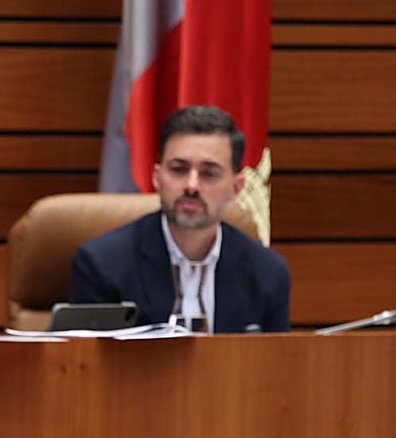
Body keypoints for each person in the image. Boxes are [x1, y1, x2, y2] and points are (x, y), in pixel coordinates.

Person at [69, 105, 290, 332]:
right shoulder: (102, 265)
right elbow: (85, 363)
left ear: (236, 187)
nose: (191, 186)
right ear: (157, 178)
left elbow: (275, 365)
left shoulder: (267, 274)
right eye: (178, 170)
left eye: (209, 173)